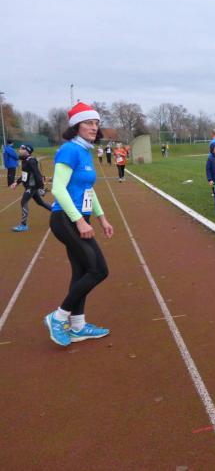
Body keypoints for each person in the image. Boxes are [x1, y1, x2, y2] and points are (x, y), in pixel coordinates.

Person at [44, 102, 114, 347]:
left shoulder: (85, 152)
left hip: (79, 219)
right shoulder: (69, 150)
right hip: (65, 219)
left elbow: (87, 190)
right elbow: (57, 189)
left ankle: (78, 326)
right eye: (88, 123)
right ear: (76, 126)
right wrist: (79, 221)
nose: (94, 127)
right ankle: (58, 317)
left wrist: (101, 217)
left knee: (82, 272)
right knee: (99, 270)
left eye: (96, 123)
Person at [10, 144, 52, 232]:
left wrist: (41, 188)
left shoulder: (31, 161)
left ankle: (23, 225)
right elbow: (24, 175)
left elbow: (37, 174)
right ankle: (58, 212)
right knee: (41, 203)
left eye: (22, 149)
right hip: (29, 186)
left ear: (27, 151)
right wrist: (16, 182)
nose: (19, 150)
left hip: (32, 187)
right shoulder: (24, 160)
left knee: (23, 202)